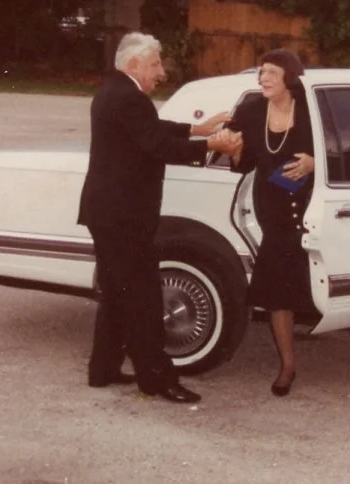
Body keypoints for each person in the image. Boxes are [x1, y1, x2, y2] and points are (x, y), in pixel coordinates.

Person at [78, 32, 235, 405]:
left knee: (117, 293)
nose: (160, 72)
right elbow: (158, 144)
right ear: (134, 64)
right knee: (144, 297)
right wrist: (211, 145)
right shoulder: (129, 97)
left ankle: (103, 369)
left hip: (107, 213)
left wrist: (196, 129)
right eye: (154, 64)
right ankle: (156, 379)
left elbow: (150, 128)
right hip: (124, 217)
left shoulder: (114, 91)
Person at [225, 49, 315, 396]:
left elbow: (341, 147)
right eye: (261, 72)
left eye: (271, 73)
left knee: (308, 279)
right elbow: (244, 162)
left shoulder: (310, 108)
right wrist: (234, 149)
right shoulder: (251, 110)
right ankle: (287, 366)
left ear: (289, 77)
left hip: (313, 206)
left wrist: (315, 163)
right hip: (274, 209)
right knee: (279, 288)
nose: (263, 78)